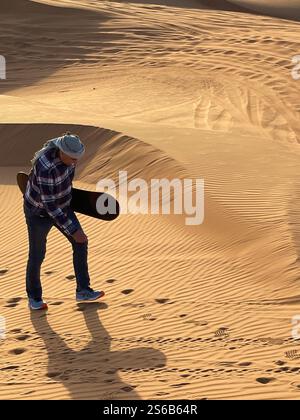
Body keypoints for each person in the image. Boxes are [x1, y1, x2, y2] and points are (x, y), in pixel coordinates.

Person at [23, 132, 105, 310]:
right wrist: (73, 230)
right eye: (72, 158)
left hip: (62, 206)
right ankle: (34, 298)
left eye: (77, 158)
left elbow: (67, 181)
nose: (75, 161)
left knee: (81, 242)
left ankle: (83, 290)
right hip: (39, 213)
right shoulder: (45, 165)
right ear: (61, 152)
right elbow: (49, 206)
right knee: (37, 255)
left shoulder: (70, 158)